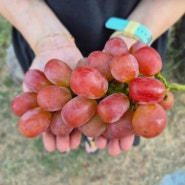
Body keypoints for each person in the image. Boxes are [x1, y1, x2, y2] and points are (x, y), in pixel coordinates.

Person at [0, 0, 185, 156]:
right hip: (46, 31)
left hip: (133, 37)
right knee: (90, 121)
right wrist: (44, 35)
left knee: (113, 120)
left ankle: (92, 140)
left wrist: (134, 33)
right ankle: (91, 140)